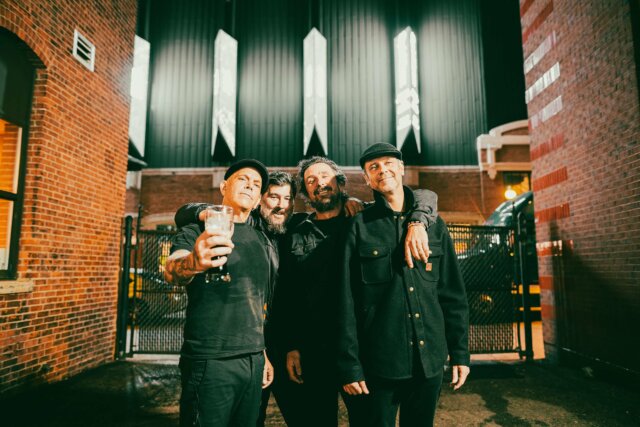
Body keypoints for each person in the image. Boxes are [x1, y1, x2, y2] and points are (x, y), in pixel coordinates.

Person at [277, 156, 438, 427]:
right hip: (313, 349)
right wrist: (291, 345)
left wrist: (417, 222)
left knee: (367, 420)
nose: (319, 183)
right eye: (311, 181)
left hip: (360, 351)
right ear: (305, 192)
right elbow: (288, 295)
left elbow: (425, 196)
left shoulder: (366, 221)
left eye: (325, 176)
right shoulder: (295, 231)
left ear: (341, 183)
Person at [337, 143, 470, 427]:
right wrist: (350, 364)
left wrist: (460, 353)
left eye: (388, 163)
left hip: (429, 361)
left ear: (401, 169)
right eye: (374, 167)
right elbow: (344, 302)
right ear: (367, 179)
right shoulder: (358, 227)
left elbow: (452, 295)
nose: (382, 170)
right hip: (378, 364)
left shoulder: (434, 225)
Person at [164, 159, 277, 427]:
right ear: (224, 186)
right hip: (210, 360)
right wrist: (194, 262)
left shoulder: (262, 240)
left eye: (256, 185)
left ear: (259, 199)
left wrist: (261, 353)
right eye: (243, 179)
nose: (250, 186)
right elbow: (171, 271)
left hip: (253, 359)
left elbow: (256, 303)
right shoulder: (197, 230)